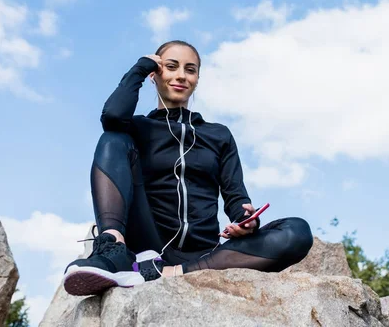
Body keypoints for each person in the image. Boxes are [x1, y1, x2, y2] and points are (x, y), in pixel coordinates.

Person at [62, 40, 313, 296]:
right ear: (155, 74)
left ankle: (170, 272)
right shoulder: (137, 128)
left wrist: (246, 220)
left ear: (197, 78)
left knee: (297, 231)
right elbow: (113, 116)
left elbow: (236, 198)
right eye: (171, 67)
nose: (181, 75)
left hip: (204, 252)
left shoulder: (219, 135)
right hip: (147, 244)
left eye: (190, 70)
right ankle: (112, 250)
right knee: (113, 138)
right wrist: (140, 67)